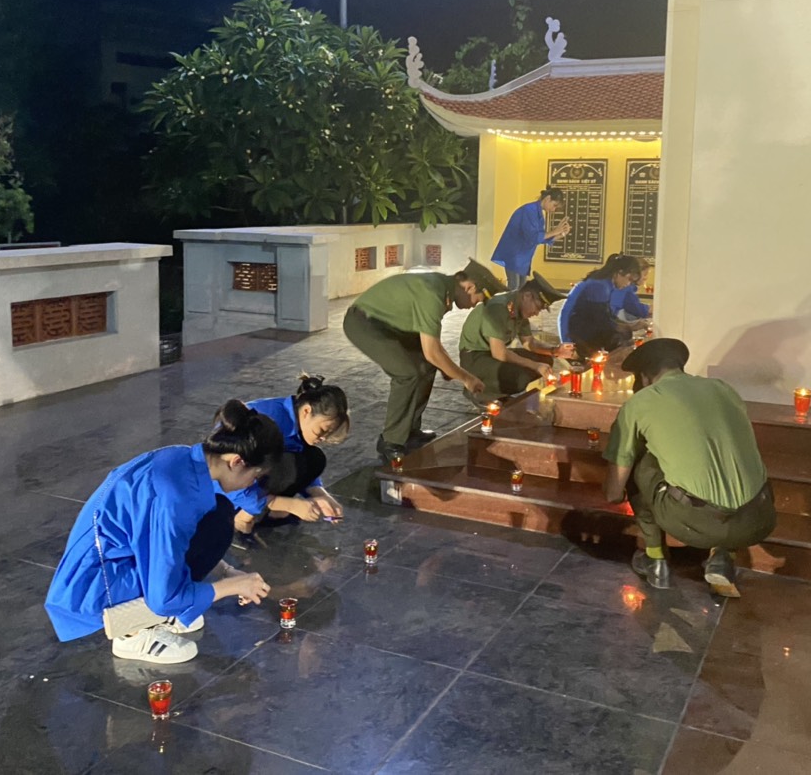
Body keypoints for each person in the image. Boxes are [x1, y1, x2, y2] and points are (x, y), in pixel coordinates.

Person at [44, 400, 292, 664]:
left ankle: (163, 612)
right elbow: (163, 597)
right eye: (255, 477)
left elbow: (173, 541)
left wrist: (227, 572)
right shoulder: (175, 496)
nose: (251, 485)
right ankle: (132, 634)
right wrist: (232, 586)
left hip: (115, 559)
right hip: (96, 587)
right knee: (215, 526)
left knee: (218, 516)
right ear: (237, 461)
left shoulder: (185, 460)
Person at [600, 338, 776, 597]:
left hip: (696, 524)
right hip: (760, 518)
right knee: (726, 461)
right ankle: (723, 557)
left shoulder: (641, 402)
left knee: (641, 462)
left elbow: (614, 492)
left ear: (645, 377)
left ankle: (655, 559)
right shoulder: (722, 389)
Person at [344, 259, 506, 460]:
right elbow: (433, 351)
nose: (474, 306)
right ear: (470, 287)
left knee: (427, 366)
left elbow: (432, 349)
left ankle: (409, 431)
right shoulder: (433, 293)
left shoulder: (443, 289)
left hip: (393, 325)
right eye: (477, 300)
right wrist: (466, 378)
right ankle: (390, 441)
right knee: (407, 373)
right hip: (364, 322)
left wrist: (446, 368)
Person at [228, 374, 350, 534]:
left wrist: (320, 495)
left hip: (254, 476)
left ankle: (269, 509)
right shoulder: (266, 422)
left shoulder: (297, 420)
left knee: (314, 459)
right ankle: (243, 516)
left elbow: (301, 461)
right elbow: (228, 476)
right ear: (306, 411)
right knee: (286, 465)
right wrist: (290, 505)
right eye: (322, 430)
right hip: (226, 490)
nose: (323, 438)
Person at [458, 274, 574, 399]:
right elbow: (500, 354)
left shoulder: (519, 308)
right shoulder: (498, 308)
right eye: (538, 307)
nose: (536, 313)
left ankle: (493, 384)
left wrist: (555, 350)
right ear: (527, 296)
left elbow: (529, 343)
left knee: (545, 360)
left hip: (491, 353)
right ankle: (478, 389)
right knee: (521, 378)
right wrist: (535, 366)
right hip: (474, 357)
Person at [558, 253, 651, 356]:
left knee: (624, 337)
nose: (628, 284)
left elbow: (606, 316)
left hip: (580, 329)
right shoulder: (600, 286)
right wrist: (630, 326)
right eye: (629, 279)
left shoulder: (604, 283)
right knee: (621, 340)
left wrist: (629, 326)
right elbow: (601, 320)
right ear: (619, 273)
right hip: (577, 333)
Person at [491, 188, 572, 291]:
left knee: (522, 288)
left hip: (523, 256)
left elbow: (541, 238)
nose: (553, 210)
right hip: (514, 253)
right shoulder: (529, 210)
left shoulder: (538, 213)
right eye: (554, 205)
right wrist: (555, 231)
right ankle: (508, 302)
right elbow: (533, 237)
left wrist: (561, 234)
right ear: (547, 199)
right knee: (514, 287)